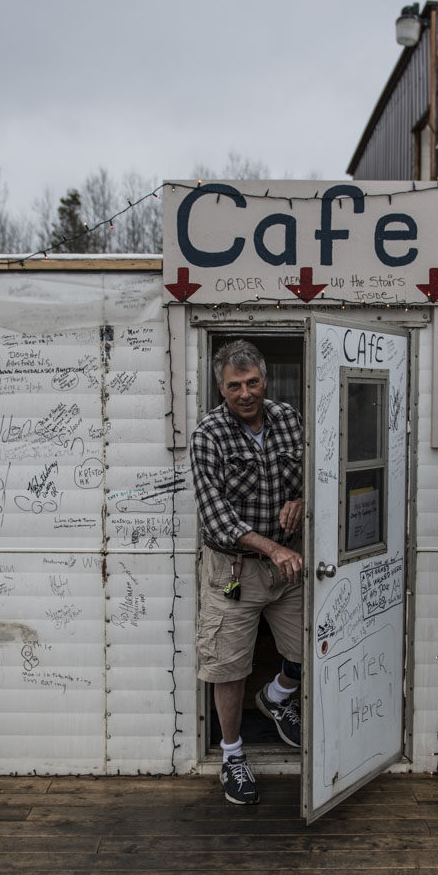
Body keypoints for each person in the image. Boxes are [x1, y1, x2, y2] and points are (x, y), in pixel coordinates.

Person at [190, 340, 306, 805]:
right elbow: (216, 519)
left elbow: (319, 475)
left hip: (289, 564)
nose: (245, 393)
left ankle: (278, 695)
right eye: (234, 385)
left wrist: (302, 501)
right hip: (233, 569)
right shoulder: (208, 434)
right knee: (230, 666)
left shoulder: (289, 420)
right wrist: (272, 547)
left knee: (313, 645)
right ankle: (233, 755)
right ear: (221, 388)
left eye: (252, 382)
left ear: (266, 379)